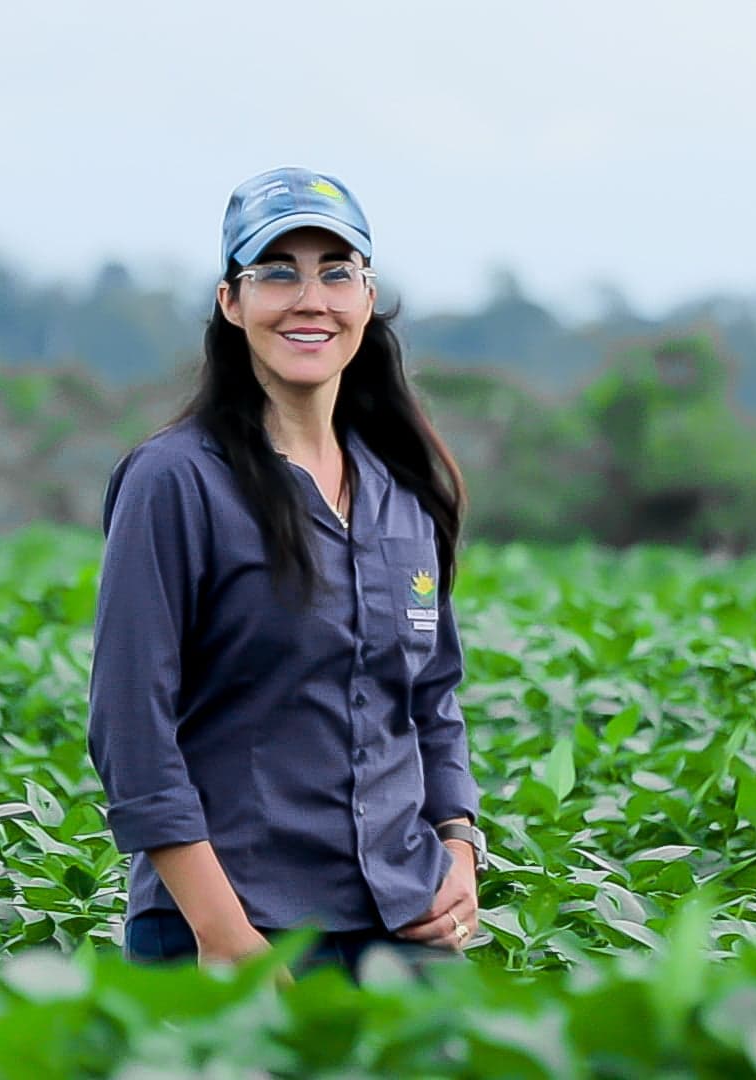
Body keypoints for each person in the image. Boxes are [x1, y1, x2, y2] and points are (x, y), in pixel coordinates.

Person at [85, 165, 488, 983]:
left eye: (336, 273)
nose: (311, 299)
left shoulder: (402, 494)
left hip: (404, 930)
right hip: (233, 930)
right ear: (232, 302)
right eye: (278, 272)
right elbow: (132, 726)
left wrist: (458, 848)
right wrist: (223, 934)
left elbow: (432, 701)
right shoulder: (176, 482)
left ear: (367, 298)